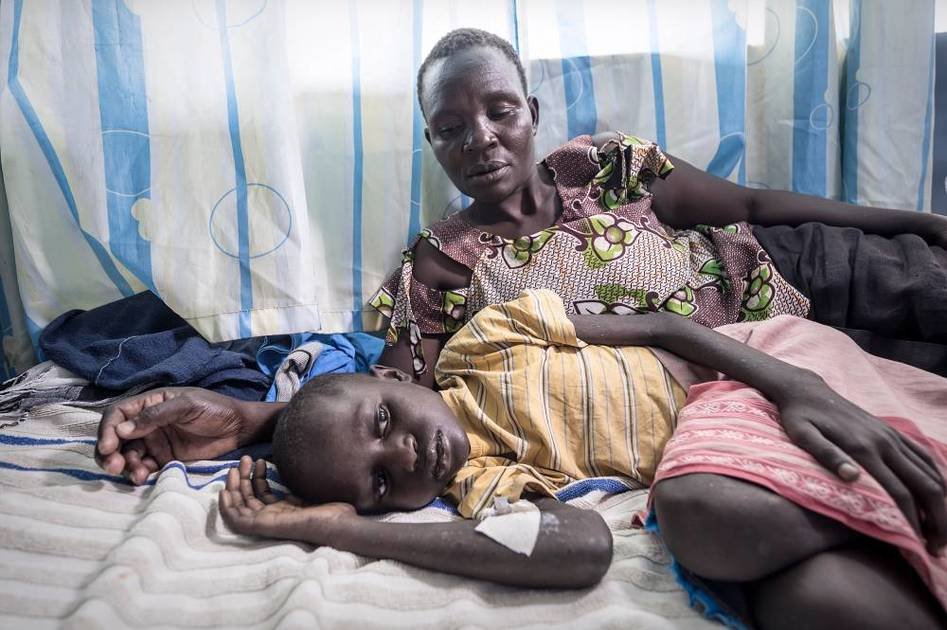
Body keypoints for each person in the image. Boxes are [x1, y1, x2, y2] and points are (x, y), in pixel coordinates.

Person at [98, 290, 947, 628]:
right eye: (382, 482)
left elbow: (665, 326)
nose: (407, 454)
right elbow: (582, 544)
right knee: (818, 604)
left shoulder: (485, 338)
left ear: (394, 376)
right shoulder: (483, 484)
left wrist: (793, 384)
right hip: (724, 453)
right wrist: (334, 528)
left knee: (701, 515)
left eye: (385, 419)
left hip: (749, 373)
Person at [368, 28, 947, 387]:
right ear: (432, 142)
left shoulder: (605, 166)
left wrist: (922, 222)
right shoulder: (440, 263)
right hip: (757, 367)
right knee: (919, 383)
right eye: (451, 128)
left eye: (501, 111)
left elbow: (751, 203)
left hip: (793, 266)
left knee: (932, 290)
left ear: (533, 114)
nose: (480, 139)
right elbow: (399, 392)